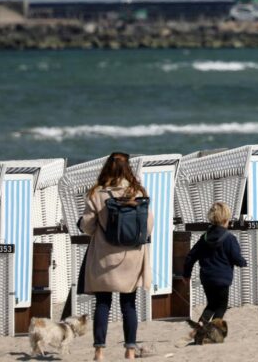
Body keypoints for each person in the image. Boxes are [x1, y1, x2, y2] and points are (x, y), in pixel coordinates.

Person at [79, 153, 154, 361]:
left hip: (105, 256)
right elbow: (148, 227)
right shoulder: (138, 192)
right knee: (128, 304)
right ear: (127, 168)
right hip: (131, 257)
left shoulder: (97, 193)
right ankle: (130, 351)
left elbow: (88, 226)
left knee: (103, 304)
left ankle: (99, 351)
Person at [183, 202, 248, 323]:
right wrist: (243, 262)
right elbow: (236, 257)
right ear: (225, 220)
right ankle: (213, 331)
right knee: (221, 306)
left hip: (207, 278)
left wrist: (187, 274)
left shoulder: (205, 237)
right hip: (222, 279)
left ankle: (201, 329)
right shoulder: (229, 238)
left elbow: (190, 257)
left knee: (211, 305)